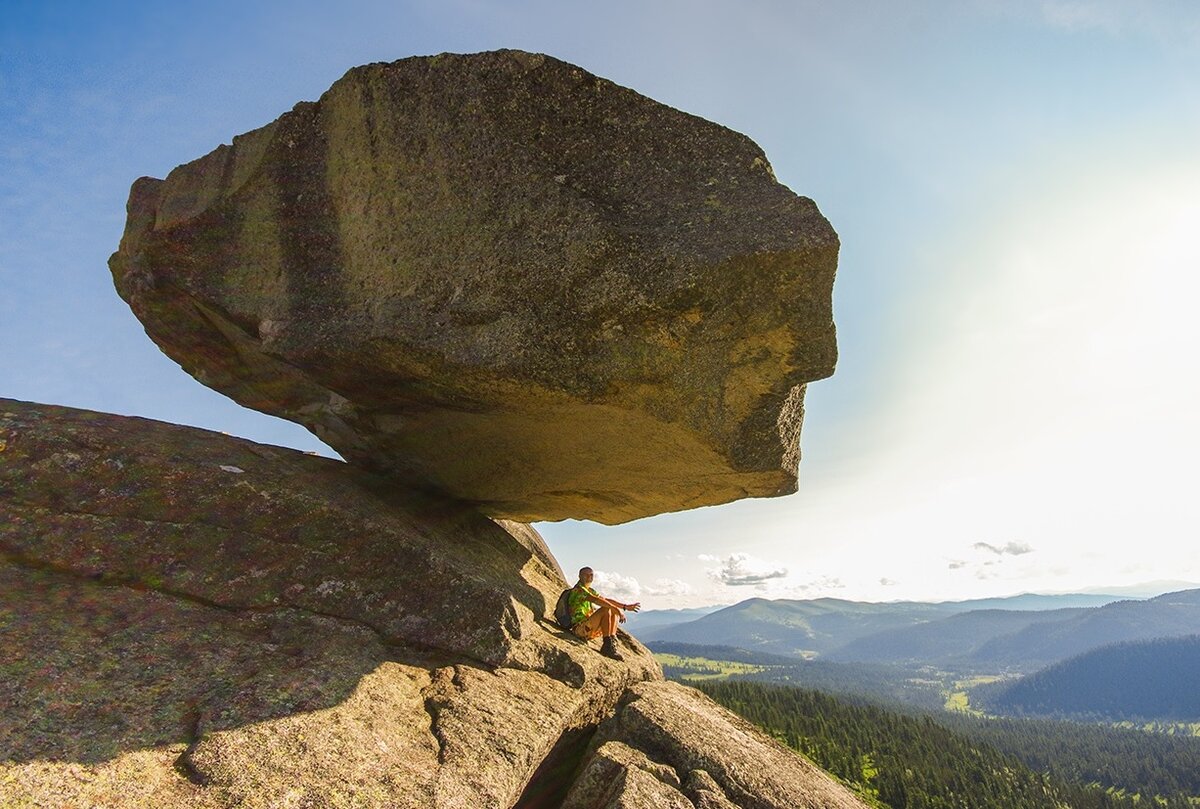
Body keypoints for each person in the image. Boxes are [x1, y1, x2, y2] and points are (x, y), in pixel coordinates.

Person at [567, 566, 640, 661]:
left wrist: (624, 607)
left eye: (591, 575)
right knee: (606, 609)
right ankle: (607, 645)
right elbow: (596, 600)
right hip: (579, 629)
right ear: (580, 576)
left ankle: (611, 643)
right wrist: (615, 608)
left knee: (612, 611)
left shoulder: (590, 590)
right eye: (586, 575)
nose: (589, 577)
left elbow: (605, 600)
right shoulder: (579, 590)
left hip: (587, 628)